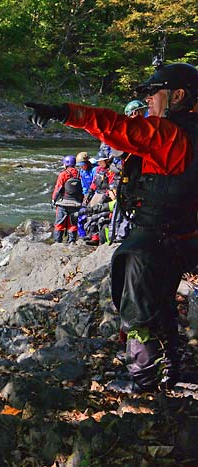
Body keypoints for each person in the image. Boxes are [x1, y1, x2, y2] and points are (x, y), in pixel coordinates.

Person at [25, 62, 198, 393]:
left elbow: (114, 126)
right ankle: (170, 372)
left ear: (177, 95)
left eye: (153, 93)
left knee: (137, 316)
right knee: (161, 305)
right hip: (182, 237)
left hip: (152, 241)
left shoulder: (168, 135)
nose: (148, 100)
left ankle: (144, 387)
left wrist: (64, 112)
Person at [52, 155, 83, 243]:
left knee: (59, 224)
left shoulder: (63, 174)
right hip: (76, 203)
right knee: (73, 224)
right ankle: (72, 242)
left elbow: (58, 189)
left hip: (63, 203)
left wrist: (53, 200)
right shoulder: (79, 174)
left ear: (66, 164)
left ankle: (57, 242)